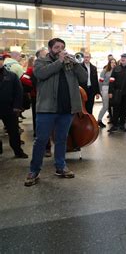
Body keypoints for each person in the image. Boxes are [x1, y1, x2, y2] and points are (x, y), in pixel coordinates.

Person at [24, 38, 87, 187]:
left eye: (62, 47)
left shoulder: (70, 63)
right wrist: (59, 61)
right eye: (57, 47)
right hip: (47, 109)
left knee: (61, 139)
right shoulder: (41, 62)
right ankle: (34, 170)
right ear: (51, 48)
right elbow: (41, 75)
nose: (60, 49)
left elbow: (84, 78)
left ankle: (60, 167)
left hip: (66, 109)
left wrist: (76, 64)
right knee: (41, 140)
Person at [0, 54, 29, 159]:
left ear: (3, 61)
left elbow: (18, 92)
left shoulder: (12, 75)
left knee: (14, 131)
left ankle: (18, 151)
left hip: (9, 108)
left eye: (0, 60)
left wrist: (17, 107)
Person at [108, 53, 126, 133]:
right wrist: (110, 91)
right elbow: (111, 80)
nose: (123, 58)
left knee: (124, 110)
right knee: (116, 109)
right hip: (116, 93)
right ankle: (115, 125)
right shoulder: (116, 68)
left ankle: (122, 125)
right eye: (122, 57)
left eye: (125, 57)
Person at [97, 58, 116, 128]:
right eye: (112, 62)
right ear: (109, 63)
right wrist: (100, 91)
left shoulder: (116, 71)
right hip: (105, 88)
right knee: (105, 106)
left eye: (114, 62)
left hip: (113, 90)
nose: (113, 64)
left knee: (112, 106)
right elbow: (100, 82)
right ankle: (99, 120)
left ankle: (113, 120)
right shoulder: (105, 71)